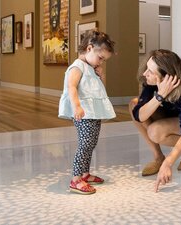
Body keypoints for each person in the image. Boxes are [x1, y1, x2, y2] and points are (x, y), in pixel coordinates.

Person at [129, 49, 181, 192]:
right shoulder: (149, 81)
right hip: (171, 115)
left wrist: (169, 163)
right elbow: (139, 115)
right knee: (134, 104)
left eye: (150, 71)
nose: (145, 73)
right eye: (147, 68)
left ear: (166, 76)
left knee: (155, 131)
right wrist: (160, 95)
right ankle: (158, 157)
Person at [58, 30, 116, 195]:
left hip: (92, 112)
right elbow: (71, 87)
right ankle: (76, 179)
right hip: (83, 113)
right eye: (101, 58)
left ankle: (85, 174)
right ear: (89, 48)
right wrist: (76, 106)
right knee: (85, 144)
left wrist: (101, 74)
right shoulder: (77, 66)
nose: (101, 62)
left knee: (91, 143)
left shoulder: (91, 67)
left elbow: (98, 89)